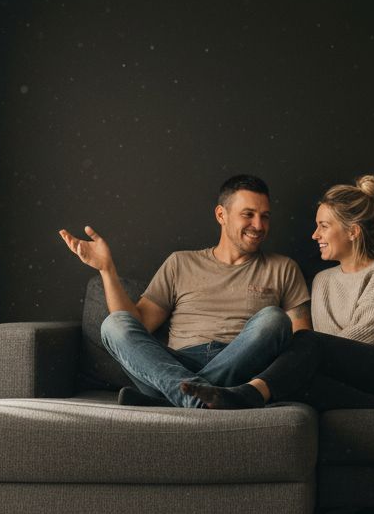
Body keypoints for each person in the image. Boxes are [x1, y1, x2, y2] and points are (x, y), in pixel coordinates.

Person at [181, 175, 374, 411]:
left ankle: (251, 392)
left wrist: (306, 357)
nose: (314, 234)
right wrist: (301, 364)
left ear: (353, 231)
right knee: (295, 380)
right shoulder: (322, 280)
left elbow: (365, 337)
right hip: (356, 376)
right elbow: (329, 348)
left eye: (323, 226)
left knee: (304, 348)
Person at [58, 175, 311, 408]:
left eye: (265, 216)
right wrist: (107, 270)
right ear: (221, 215)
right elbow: (138, 323)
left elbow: (302, 343)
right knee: (113, 325)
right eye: (248, 214)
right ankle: (200, 395)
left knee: (274, 319)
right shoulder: (180, 263)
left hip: (242, 365)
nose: (258, 225)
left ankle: (174, 399)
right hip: (173, 364)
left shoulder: (283, 268)